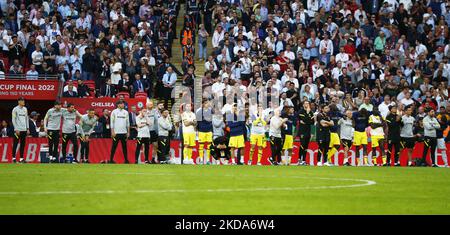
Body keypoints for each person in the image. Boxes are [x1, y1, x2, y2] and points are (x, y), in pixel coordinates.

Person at [11, 97, 29, 163]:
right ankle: (13, 158)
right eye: (22, 100)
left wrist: (27, 128)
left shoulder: (25, 109)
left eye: (24, 100)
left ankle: (21, 158)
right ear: (19, 102)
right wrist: (16, 129)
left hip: (24, 130)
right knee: (15, 143)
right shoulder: (15, 109)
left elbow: (26, 119)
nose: (23, 101)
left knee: (22, 144)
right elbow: (13, 119)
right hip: (18, 130)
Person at [196, 99, 213, 165]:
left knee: (209, 146)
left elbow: (211, 121)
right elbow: (198, 122)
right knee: (201, 146)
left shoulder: (210, 111)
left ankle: (208, 160)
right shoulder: (199, 112)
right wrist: (197, 130)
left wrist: (212, 130)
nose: (208, 104)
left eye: (208, 103)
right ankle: (201, 160)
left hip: (209, 130)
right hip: (202, 130)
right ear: (203, 104)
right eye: (206, 103)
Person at [297, 101, 314, 165]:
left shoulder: (311, 112)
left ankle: (304, 160)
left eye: (308, 103)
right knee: (302, 144)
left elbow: (311, 122)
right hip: (302, 131)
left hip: (308, 131)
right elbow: (303, 120)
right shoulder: (300, 112)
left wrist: (306, 120)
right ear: (303, 104)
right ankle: (299, 160)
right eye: (306, 103)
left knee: (306, 146)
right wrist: (307, 114)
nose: (307, 104)